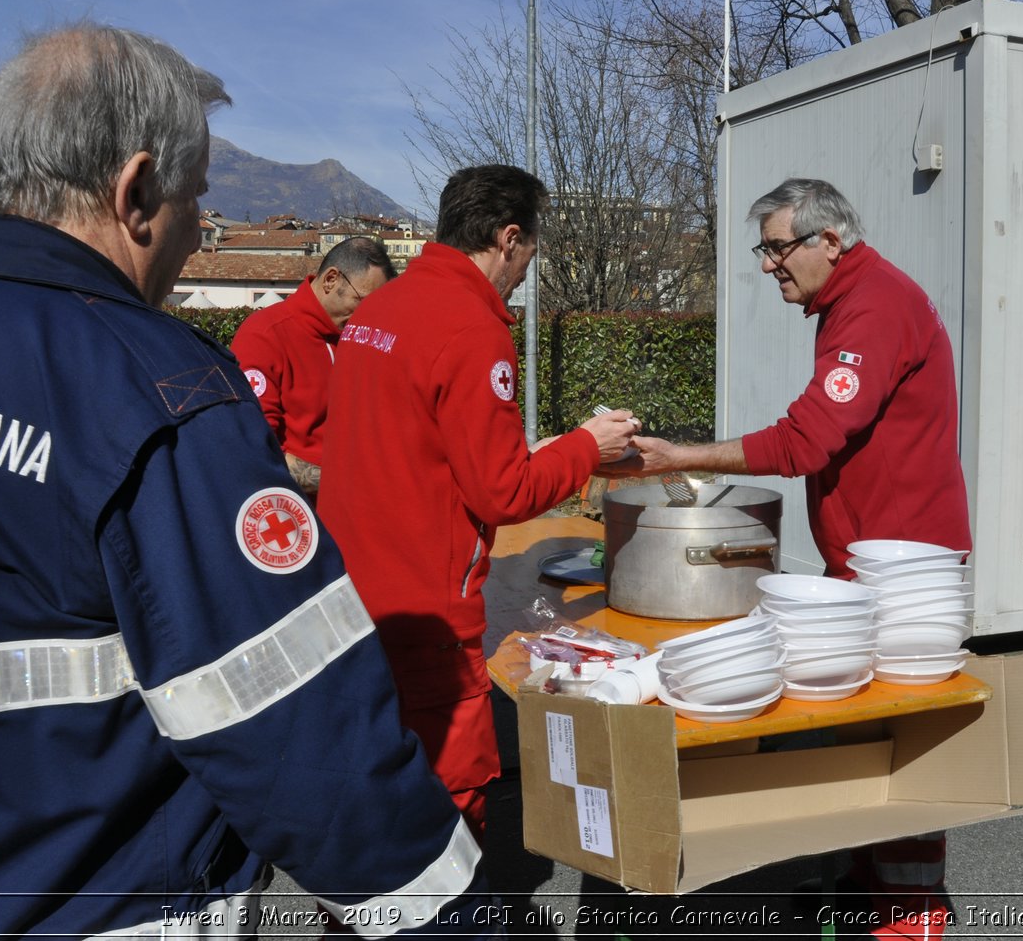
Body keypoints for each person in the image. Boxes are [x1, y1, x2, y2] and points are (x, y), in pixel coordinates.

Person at [0, 24, 499, 938]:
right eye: (197, 201)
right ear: (135, 193)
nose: (197, 231)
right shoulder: (154, 392)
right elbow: (297, 730)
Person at [626, 177, 969, 938]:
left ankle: (910, 909)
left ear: (830, 241)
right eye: (766, 248)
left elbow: (807, 438)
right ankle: (872, 880)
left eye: (778, 247)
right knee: (865, 729)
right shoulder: (851, 300)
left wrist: (681, 455)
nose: (767, 264)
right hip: (876, 559)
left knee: (898, 731)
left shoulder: (873, 306)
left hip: (905, 568)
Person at [318, 164, 639, 842]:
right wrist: (586, 445)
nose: (525, 270)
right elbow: (503, 490)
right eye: (529, 252)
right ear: (508, 238)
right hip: (428, 615)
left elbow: (411, 442)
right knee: (446, 807)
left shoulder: (377, 313)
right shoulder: (471, 325)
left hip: (354, 595)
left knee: (369, 796)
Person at [232, 236, 395, 497]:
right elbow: (252, 448)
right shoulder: (264, 335)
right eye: (362, 301)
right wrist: (350, 480)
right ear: (331, 280)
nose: (369, 314)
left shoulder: (362, 337)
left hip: (355, 510)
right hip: (295, 514)